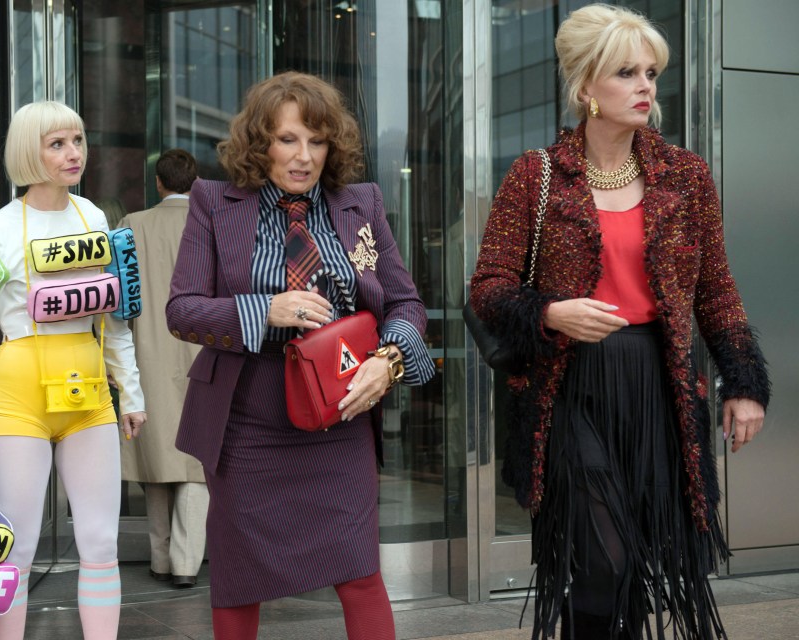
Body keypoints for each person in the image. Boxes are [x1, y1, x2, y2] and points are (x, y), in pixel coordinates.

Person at [469, 5, 770, 639]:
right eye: (626, 72)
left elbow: (715, 288)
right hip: (569, 388)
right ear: (586, 88)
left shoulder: (685, 177)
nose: (645, 87)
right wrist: (550, 312)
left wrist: (743, 383)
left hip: (656, 384)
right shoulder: (537, 174)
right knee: (606, 556)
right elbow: (489, 290)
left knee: (635, 561)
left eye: (652, 73)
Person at [166, 71, 435, 640]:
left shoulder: (360, 204)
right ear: (260, 142)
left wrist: (388, 361)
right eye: (288, 140)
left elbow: (406, 302)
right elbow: (182, 310)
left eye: (317, 142)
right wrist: (265, 308)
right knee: (238, 580)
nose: (304, 157)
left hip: (340, 413)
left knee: (360, 572)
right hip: (247, 420)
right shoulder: (214, 203)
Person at [0, 101, 147, 640]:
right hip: (16, 398)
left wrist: (131, 392)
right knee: (18, 545)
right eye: (57, 144)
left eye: (77, 140)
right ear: (28, 153)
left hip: (88, 396)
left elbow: (114, 315)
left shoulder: (94, 218)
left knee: (101, 542)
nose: (73, 153)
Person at [119, 148, 208, 588]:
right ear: (197, 182)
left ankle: (159, 557)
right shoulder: (210, 223)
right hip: (202, 353)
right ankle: (187, 563)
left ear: (158, 182)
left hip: (146, 353)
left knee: (155, 458)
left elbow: (116, 299)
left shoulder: (131, 226)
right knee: (196, 464)